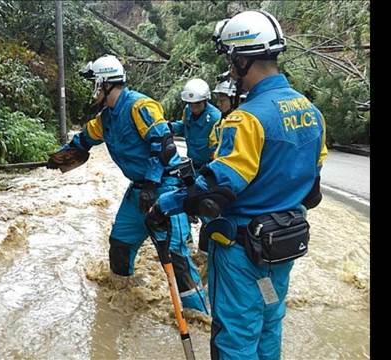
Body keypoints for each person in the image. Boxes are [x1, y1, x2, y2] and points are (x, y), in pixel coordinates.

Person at [147, 10, 328, 359]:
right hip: (283, 245)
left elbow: (215, 192)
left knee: (235, 336)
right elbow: (313, 191)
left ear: (243, 59)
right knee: (269, 322)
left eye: (232, 61)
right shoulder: (311, 112)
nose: (231, 70)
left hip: (242, 252)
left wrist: (165, 205)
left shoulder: (245, 120)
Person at [47, 55, 208, 313]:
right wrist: (59, 157)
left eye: (95, 83)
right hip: (139, 190)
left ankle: (200, 317)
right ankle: (123, 305)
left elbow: (164, 145)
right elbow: (84, 141)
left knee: (176, 257)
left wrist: (151, 184)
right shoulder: (106, 118)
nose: (93, 89)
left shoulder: (140, 106)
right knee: (120, 246)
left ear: (105, 83)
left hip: (165, 187)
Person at [172, 78, 222, 170]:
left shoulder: (215, 119)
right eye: (190, 104)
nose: (193, 108)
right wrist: (170, 127)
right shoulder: (187, 110)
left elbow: (219, 150)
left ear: (205, 100)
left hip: (207, 168)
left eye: (197, 104)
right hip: (191, 164)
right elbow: (183, 125)